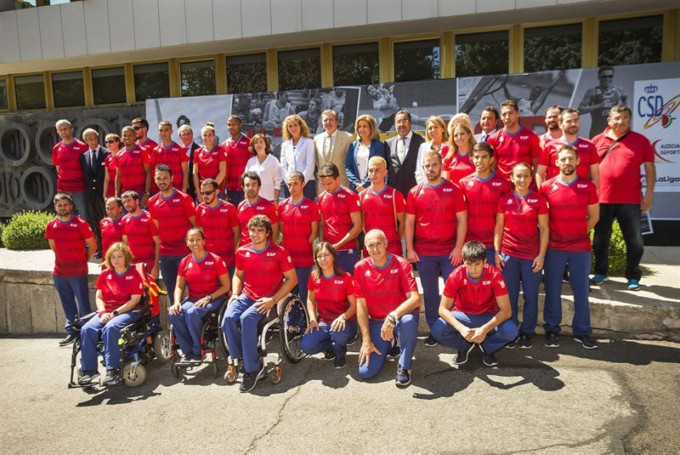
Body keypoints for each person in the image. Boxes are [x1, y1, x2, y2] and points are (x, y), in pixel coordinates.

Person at [221, 215, 298, 392]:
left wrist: (274, 300)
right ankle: (241, 358)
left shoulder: (279, 251)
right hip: (247, 295)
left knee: (247, 319)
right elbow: (238, 275)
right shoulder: (242, 251)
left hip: (269, 298)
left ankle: (252, 369)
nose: (255, 234)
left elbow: (292, 279)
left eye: (260, 230)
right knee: (228, 318)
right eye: (252, 230)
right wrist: (234, 293)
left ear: (268, 233)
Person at [406, 150, 468, 346]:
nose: (430, 169)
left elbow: (462, 219)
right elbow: (409, 223)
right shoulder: (415, 192)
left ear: (441, 166)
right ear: (422, 168)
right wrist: (410, 249)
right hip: (425, 253)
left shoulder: (454, 189)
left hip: (450, 252)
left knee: (455, 293)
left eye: (434, 165)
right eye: (427, 166)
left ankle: (452, 328)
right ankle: (435, 330)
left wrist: (459, 248)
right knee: (431, 295)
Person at [540, 145, 599, 349]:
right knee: (552, 290)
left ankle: (582, 332)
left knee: (581, 291)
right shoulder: (546, 187)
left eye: (570, 159)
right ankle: (552, 330)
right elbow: (541, 220)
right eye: (563, 159)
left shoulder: (588, 186)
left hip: (580, 248)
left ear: (577, 161)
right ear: (556, 163)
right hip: (554, 248)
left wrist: (580, 233)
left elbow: (594, 216)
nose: (567, 162)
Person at [591, 105, 655, 291]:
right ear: (609, 120)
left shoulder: (641, 141)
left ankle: (633, 275)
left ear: (630, 119)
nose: (621, 121)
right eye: (617, 118)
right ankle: (601, 272)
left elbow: (650, 170)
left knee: (635, 241)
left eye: (625, 117)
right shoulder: (596, 140)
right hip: (601, 199)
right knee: (600, 240)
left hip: (630, 200)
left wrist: (649, 195)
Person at [431, 241, 518, 367]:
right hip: (463, 316)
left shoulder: (495, 275)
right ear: (463, 261)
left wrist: (484, 330)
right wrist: (462, 329)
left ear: (485, 262)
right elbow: (443, 309)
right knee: (437, 329)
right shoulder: (456, 275)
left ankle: (488, 348)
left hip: (488, 315)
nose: (472, 269)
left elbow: (506, 311)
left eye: (477, 264)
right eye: (468, 264)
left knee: (511, 331)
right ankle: (464, 346)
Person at [354, 229, 420, 387]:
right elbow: (361, 306)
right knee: (366, 372)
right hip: (377, 322)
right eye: (370, 245)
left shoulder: (401, 263)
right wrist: (366, 340)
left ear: (386, 244)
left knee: (408, 320)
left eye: (378, 244)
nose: (375, 249)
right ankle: (391, 343)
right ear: (365, 248)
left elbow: (415, 299)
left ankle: (404, 367)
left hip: (399, 318)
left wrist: (392, 317)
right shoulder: (360, 267)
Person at [494, 163, 548, 349]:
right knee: (510, 296)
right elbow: (499, 229)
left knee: (531, 296)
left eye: (526, 176)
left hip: (531, 256)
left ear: (531, 178)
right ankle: (512, 330)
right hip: (508, 255)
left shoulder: (538, 200)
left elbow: (545, 229)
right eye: (518, 176)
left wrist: (541, 255)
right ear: (511, 178)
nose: (522, 180)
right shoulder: (504, 200)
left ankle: (527, 332)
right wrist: (496, 252)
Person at [78, 242, 145, 386]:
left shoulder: (133, 275)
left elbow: (134, 301)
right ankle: (89, 370)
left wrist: (115, 313)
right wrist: (102, 313)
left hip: (128, 311)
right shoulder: (105, 274)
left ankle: (112, 370)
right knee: (87, 329)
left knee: (111, 328)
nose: (116, 260)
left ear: (126, 257)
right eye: (113, 257)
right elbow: (99, 297)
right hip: (106, 311)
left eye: (120, 256)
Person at [168, 228, 230, 363]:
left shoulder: (216, 260)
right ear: (187, 243)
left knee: (192, 313)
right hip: (194, 298)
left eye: (198, 239)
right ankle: (188, 352)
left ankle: (198, 350)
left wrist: (209, 297)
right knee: (174, 313)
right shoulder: (185, 261)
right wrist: (177, 302)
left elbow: (226, 286)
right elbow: (179, 286)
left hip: (214, 297)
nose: (195, 243)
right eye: (191, 240)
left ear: (204, 241)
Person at [46, 193, 97, 347]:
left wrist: (83, 259)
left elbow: (93, 245)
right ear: (55, 207)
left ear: (71, 206)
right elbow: (53, 246)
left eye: (65, 205)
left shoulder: (81, 223)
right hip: (60, 273)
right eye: (59, 205)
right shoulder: (51, 225)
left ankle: (86, 334)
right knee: (67, 304)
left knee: (83, 305)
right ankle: (72, 333)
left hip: (78, 272)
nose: (62, 208)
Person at [300, 242, 357, 369]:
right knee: (306, 346)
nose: (323, 259)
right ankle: (331, 346)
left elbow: (355, 305)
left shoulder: (346, 277)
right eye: (319, 256)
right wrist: (313, 320)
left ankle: (340, 354)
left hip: (345, 321)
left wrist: (343, 317)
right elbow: (310, 300)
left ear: (333, 257)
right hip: (324, 321)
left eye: (326, 255)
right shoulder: (314, 277)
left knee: (338, 333)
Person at [460, 142, 513, 264]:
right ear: (472, 159)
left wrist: (498, 248)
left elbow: (507, 217)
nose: (479, 160)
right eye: (476, 157)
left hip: (494, 245)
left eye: (484, 157)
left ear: (491, 159)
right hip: (470, 243)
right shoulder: (463, 183)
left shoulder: (503, 184)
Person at [148, 164, 196, 295]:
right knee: (171, 293)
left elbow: (196, 225)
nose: (162, 181)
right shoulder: (152, 202)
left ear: (172, 178)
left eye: (165, 178)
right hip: (166, 255)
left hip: (184, 253)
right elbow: (157, 231)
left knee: (189, 293)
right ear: (155, 179)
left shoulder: (184, 199)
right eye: (159, 178)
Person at [278, 171, 320, 304]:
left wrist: (304, 243)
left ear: (303, 184)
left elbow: (315, 232)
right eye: (289, 184)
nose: (292, 188)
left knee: (304, 294)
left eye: (295, 184)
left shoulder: (312, 206)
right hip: (288, 259)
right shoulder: (282, 206)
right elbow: (281, 229)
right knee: (289, 295)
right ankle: (291, 323)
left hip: (304, 259)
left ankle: (306, 323)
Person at [536, 108, 600, 189]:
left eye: (576, 120)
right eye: (569, 121)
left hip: (582, 195)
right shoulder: (549, 146)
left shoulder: (589, 145)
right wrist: (543, 195)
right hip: (555, 196)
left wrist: (593, 195)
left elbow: (595, 174)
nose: (573, 124)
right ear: (560, 124)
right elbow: (540, 173)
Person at [317, 163, 363, 274]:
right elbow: (322, 225)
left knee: (349, 287)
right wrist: (323, 245)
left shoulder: (350, 196)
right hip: (328, 252)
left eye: (329, 183)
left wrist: (337, 245)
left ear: (338, 179)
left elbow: (358, 227)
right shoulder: (321, 197)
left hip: (347, 250)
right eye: (323, 184)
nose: (326, 187)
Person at [359, 156, 405, 256]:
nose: (373, 174)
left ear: (385, 172)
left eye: (377, 170)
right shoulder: (362, 196)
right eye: (370, 170)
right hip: (371, 248)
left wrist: (395, 240)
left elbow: (402, 222)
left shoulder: (395, 194)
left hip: (392, 247)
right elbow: (362, 223)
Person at [195, 178, 240, 277]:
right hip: (208, 259)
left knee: (229, 290)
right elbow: (199, 234)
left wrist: (236, 253)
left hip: (228, 260)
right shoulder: (199, 209)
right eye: (202, 193)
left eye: (208, 193)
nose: (204, 196)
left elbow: (237, 233)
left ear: (217, 191)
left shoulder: (230, 208)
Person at [488, 100, 542, 181]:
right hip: (503, 187)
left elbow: (537, 166)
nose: (507, 117)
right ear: (501, 117)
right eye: (504, 114)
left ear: (518, 114)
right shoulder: (493, 138)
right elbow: (492, 167)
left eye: (510, 113)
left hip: (524, 185)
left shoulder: (532, 136)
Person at [80, 128, 110, 257]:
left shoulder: (106, 153)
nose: (93, 142)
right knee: (96, 220)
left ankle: (111, 246)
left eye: (95, 138)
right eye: (90, 139)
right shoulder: (84, 156)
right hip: (90, 194)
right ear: (85, 141)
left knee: (109, 218)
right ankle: (100, 248)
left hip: (104, 193)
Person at [52, 119, 89, 220]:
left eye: (66, 129)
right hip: (63, 189)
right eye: (61, 130)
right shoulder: (56, 148)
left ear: (71, 130)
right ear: (57, 132)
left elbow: (87, 168)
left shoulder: (82, 146)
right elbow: (58, 168)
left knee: (84, 215)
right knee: (66, 216)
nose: (63, 132)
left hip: (79, 188)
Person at [578, 66, 628, 139]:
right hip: (597, 131)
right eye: (604, 77)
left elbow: (626, 106)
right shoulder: (593, 91)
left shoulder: (618, 90)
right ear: (599, 78)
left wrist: (625, 103)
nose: (607, 79)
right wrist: (599, 105)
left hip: (614, 130)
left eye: (610, 76)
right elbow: (579, 110)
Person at [385, 110, 425, 198]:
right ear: (395, 125)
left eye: (404, 121)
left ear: (410, 123)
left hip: (416, 192)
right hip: (394, 194)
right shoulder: (388, 144)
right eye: (398, 122)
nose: (401, 124)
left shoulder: (421, 141)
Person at [121, 190, 160, 278]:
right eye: (124, 202)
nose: (126, 204)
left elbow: (158, 242)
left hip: (149, 265)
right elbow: (124, 244)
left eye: (129, 201)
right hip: (132, 265)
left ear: (137, 201)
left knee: (150, 292)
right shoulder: (124, 220)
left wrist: (156, 266)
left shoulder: (149, 217)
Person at [345, 114, 388, 193]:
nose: (361, 129)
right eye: (359, 126)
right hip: (356, 188)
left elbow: (379, 167)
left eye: (365, 126)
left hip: (373, 187)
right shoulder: (353, 145)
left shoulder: (379, 145)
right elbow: (348, 167)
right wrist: (357, 183)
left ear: (371, 128)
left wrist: (364, 185)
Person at [313, 109, 352, 195]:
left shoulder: (348, 138)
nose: (328, 122)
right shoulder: (316, 139)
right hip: (322, 186)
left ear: (337, 122)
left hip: (341, 184)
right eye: (325, 120)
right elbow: (317, 161)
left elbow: (351, 162)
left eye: (331, 119)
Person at [237, 171, 279, 246]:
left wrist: (271, 248)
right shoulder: (240, 206)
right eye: (247, 185)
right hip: (245, 251)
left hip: (263, 251)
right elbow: (239, 231)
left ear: (259, 187)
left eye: (254, 185)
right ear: (243, 188)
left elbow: (275, 230)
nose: (250, 188)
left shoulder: (268, 206)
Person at [279, 114, 316, 200]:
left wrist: (301, 183)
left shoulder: (309, 142)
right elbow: (283, 166)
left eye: (295, 125)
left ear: (301, 126)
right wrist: (289, 182)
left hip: (306, 184)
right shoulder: (285, 145)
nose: (293, 128)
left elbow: (310, 165)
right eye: (290, 126)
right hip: (290, 186)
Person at [147, 121, 189, 194]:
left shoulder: (180, 149)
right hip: (160, 191)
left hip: (177, 190)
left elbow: (185, 172)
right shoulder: (155, 150)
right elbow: (152, 172)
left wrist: (184, 189)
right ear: (158, 132)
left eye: (166, 130)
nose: (163, 133)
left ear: (171, 131)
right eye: (161, 130)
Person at [115, 126, 150, 208]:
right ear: (121, 137)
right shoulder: (118, 154)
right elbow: (118, 176)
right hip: (125, 195)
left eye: (130, 135)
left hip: (140, 194)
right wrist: (117, 195)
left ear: (135, 137)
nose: (127, 138)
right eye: (124, 135)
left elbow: (148, 172)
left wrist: (147, 193)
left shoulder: (143, 151)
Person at [221, 115, 251, 206]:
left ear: (240, 125)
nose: (230, 127)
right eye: (229, 124)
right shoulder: (224, 145)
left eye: (233, 125)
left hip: (245, 187)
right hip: (230, 189)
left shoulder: (248, 142)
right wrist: (223, 189)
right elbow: (223, 169)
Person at [193, 123, 228, 199]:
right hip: (202, 192)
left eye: (210, 135)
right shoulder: (197, 152)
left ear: (214, 136)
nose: (207, 137)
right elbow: (195, 173)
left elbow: (222, 172)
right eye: (205, 135)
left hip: (216, 191)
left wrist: (212, 189)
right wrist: (198, 191)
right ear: (201, 137)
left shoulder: (220, 150)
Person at [245, 133, 281, 202]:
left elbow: (277, 182)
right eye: (256, 143)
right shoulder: (250, 161)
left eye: (261, 142)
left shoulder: (273, 160)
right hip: (253, 201)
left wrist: (276, 200)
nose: (259, 144)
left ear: (266, 144)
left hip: (269, 200)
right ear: (253, 146)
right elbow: (246, 182)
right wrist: (246, 198)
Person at [414, 116, 450, 185]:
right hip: (426, 188)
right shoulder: (423, 147)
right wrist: (424, 186)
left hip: (445, 188)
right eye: (430, 128)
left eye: (436, 127)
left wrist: (443, 186)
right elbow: (419, 171)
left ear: (442, 129)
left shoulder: (450, 147)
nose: (433, 130)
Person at [178, 124, 200, 200]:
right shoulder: (177, 150)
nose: (187, 137)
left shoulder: (199, 150)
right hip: (181, 188)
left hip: (195, 189)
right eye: (184, 134)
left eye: (189, 134)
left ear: (192, 134)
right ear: (180, 136)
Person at [102, 133, 121, 200]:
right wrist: (104, 195)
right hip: (111, 192)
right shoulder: (107, 158)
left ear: (117, 142)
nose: (108, 144)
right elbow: (107, 178)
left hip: (122, 191)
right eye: (106, 142)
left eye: (111, 142)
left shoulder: (123, 155)